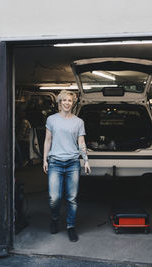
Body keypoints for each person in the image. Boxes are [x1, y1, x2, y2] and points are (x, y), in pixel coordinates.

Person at [43, 90, 91, 242]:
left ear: (73, 103)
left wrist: (86, 160)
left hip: (72, 164)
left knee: (72, 198)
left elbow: (81, 143)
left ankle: (70, 226)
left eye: (69, 100)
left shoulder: (78, 122)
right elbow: (48, 140)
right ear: (59, 102)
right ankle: (55, 219)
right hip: (55, 163)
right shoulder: (51, 120)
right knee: (54, 198)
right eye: (64, 100)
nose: (67, 103)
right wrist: (44, 159)